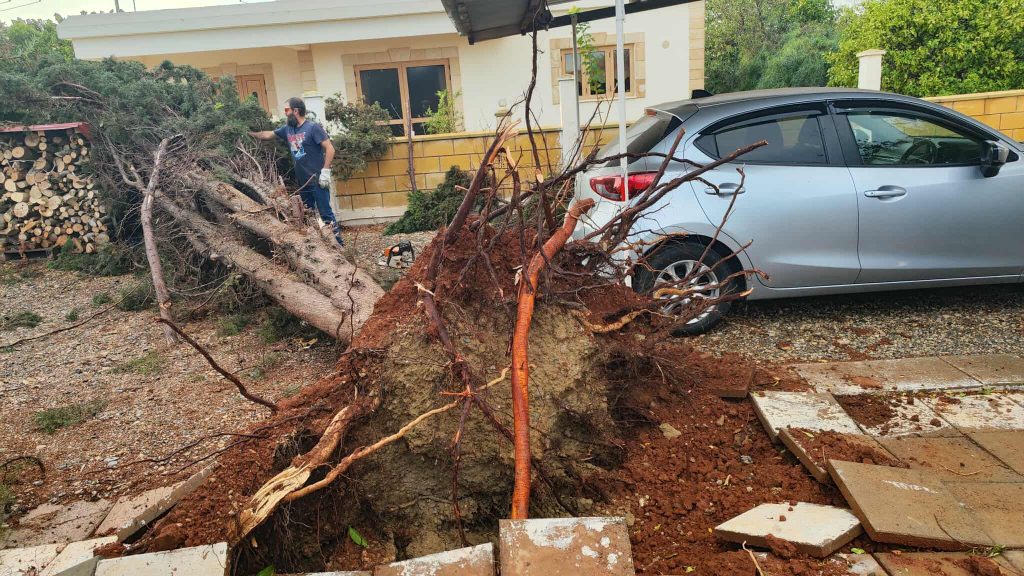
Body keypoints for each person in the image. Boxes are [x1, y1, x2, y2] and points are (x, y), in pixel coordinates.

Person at [249, 96, 343, 246]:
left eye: (287, 110)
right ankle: (319, 246)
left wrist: (325, 171)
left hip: (318, 179)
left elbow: (330, 148)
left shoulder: (313, 128)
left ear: (296, 111)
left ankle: (340, 246)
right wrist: (249, 133)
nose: (285, 113)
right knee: (307, 215)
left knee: (326, 214)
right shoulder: (288, 129)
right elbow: (268, 135)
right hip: (302, 182)